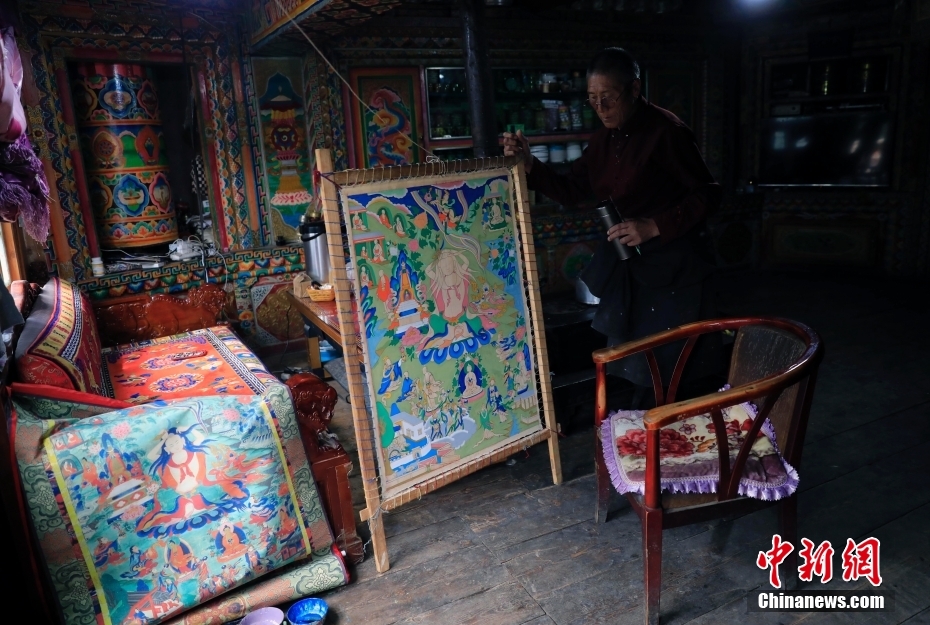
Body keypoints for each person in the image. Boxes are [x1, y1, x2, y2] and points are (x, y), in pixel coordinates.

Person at [503, 47, 722, 404]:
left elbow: (709, 194)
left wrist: (654, 225)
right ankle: (640, 427)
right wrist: (529, 164)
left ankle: (666, 429)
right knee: (640, 364)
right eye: (592, 99)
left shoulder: (667, 132)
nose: (601, 108)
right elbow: (572, 191)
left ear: (634, 89)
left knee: (673, 368)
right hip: (634, 267)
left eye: (608, 97)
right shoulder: (603, 140)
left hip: (676, 270)